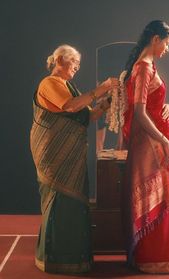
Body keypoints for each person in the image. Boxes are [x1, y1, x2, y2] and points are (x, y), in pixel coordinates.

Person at [30, 44, 118, 274]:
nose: (77, 67)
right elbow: (70, 107)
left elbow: (88, 115)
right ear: (60, 60)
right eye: (74, 63)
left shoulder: (69, 86)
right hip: (54, 155)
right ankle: (54, 259)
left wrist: (109, 100)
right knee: (60, 200)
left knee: (75, 203)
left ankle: (73, 258)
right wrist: (102, 88)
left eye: (79, 64)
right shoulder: (49, 83)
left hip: (74, 155)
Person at [122, 20, 169, 274]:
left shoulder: (147, 66)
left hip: (155, 139)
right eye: (167, 44)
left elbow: (149, 104)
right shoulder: (144, 68)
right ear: (155, 39)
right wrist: (162, 139)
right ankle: (154, 257)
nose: (168, 49)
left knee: (161, 198)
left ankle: (157, 257)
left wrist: (165, 107)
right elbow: (138, 112)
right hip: (151, 144)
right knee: (157, 199)